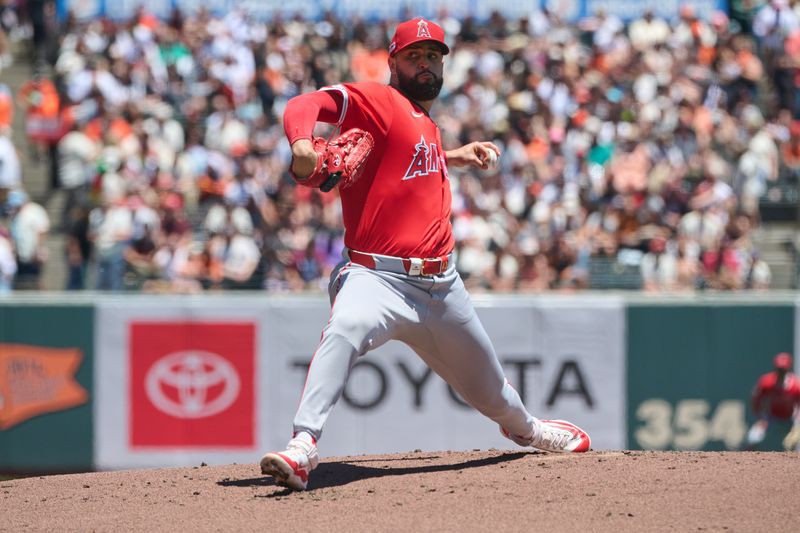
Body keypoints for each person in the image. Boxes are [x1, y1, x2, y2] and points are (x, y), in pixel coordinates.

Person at [259, 17, 591, 491]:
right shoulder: (379, 100)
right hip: (378, 278)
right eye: (414, 56)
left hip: (442, 286)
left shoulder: (425, 123)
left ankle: (529, 430)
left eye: (433, 56)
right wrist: (301, 145)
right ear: (392, 62)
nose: (425, 64)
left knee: (490, 390)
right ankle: (302, 446)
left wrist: (454, 155)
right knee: (346, 328)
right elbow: (305, 103)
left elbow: (410, 153)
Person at [746, 352, 800, 451]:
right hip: (771, 419)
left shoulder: (796, 384)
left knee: (790, 444)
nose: (781, 372)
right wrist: (761, 417)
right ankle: (748, 461)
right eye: (779, 369)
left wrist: (797, 421)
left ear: (788, 369)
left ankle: (789, 462)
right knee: (753, 437)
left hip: (789, 420)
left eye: (783, 370)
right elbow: (756, 399)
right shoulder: (767, 381)